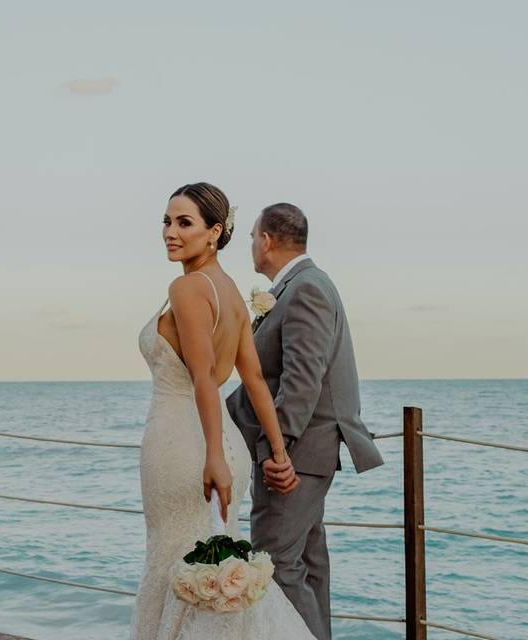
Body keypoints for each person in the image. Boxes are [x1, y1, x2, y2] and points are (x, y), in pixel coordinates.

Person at [130, 182, 317, 639]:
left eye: (184, 223)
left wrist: (213, 456)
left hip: (185, 446)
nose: (170, 232)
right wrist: (278, 451)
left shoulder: (188, 287)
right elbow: (251, 379)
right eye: (167, 221)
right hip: (222, 444)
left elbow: (201, 378)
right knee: (211, 572)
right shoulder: (231, 291)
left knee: (176, 565)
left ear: (215, 232)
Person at [226, 203, 385, 640]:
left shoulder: (306, 288)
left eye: (252, 236)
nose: (251, 246)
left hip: (294, 454)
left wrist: (278, 450)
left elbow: (301, 379)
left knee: (273, 565)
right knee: (308, 567)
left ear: (268, 240)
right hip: (300, 449)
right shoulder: (299, 286)